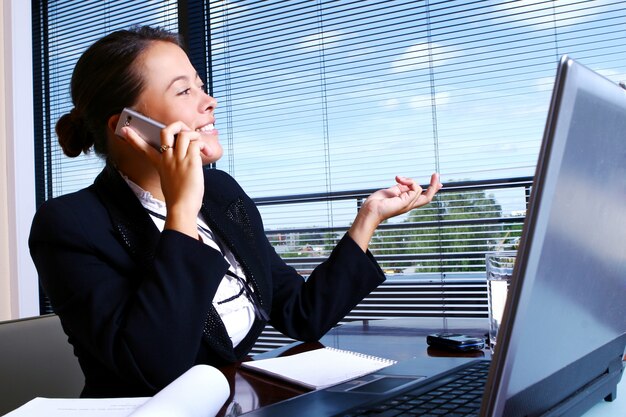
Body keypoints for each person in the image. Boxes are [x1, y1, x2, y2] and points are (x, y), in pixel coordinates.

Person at [29, 25, 442, 398]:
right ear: (128, 127)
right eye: (183, 91)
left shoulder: (222, 192)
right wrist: (181, 213)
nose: (209, 101)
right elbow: (153, 370)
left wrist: (366, 219)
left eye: (201, 85)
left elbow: (302, 315)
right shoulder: (68, 225)